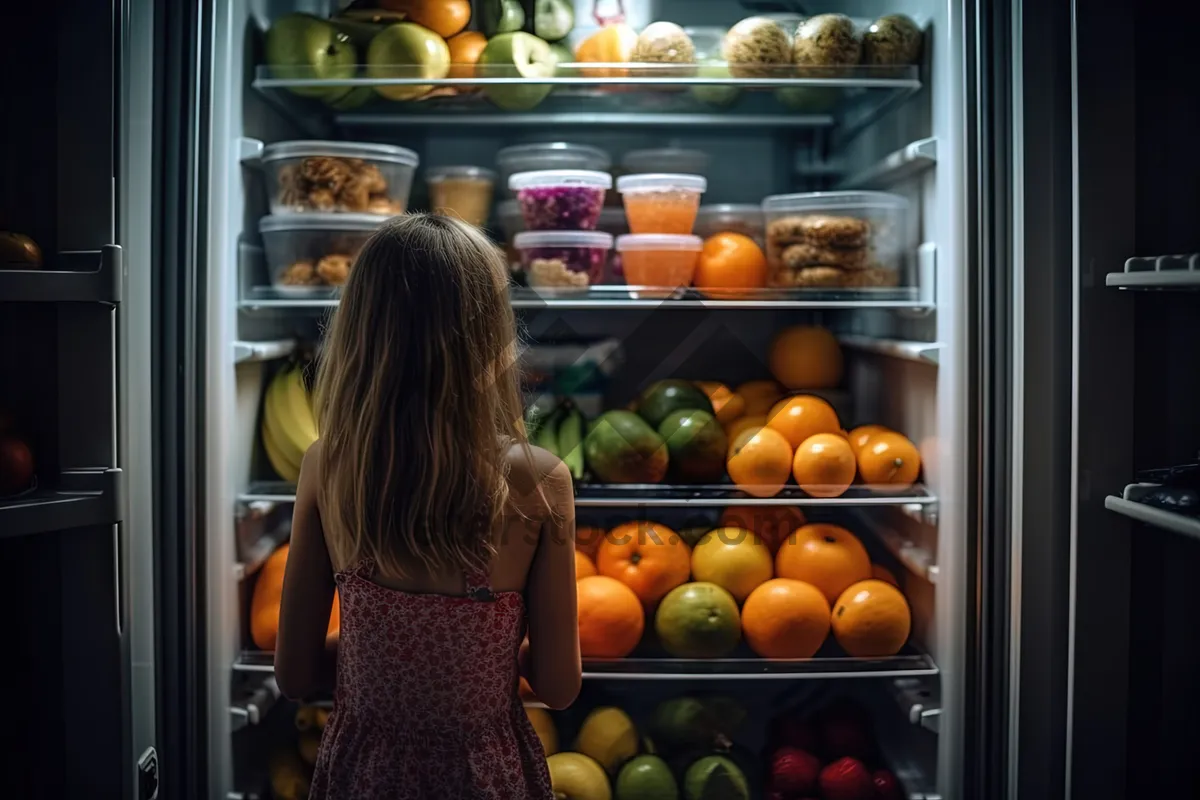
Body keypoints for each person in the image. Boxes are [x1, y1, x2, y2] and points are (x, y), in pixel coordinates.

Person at [274, 213, 581, 799]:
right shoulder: (541, 480)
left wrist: (383, 651)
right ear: (491, 335)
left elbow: (294, 674)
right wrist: (474, 655)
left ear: (359, 331)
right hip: (484, 775)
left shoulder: (326, 464)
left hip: (365, 773)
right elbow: (558, 687)